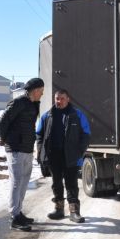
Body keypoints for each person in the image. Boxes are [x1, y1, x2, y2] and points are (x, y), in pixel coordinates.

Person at [36, 88, 91, 223]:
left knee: (71, 184)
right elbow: (39, 134)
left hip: (71, 156)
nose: (59, 101)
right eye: (57, 98)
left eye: (62, 98)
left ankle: (74, 212)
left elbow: (86, 134)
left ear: (68, 99)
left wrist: (79, 151)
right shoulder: (47, 115)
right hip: (53, 156)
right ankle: (59, 209)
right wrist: (41, 152)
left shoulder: (77, 115)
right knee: (56, 183)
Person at [0, 77, 44, 231]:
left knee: (24, 182)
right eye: (41, 91)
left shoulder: (34, 104)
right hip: (16, 149)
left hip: (27, 148)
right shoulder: (18, 103)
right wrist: (5, 139)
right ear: (35, 90)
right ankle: (14, 216)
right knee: (16, 182)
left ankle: (19, 211)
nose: (42, 94)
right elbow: (2, 123)